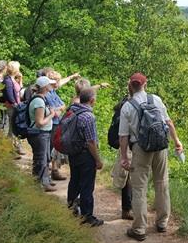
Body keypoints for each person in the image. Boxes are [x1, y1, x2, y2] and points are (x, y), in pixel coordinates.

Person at [118, 73, 183, 241]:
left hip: (140, 148)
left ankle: (139, 229)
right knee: (162, 183)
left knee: (139, 188)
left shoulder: (127, 106)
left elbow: (123, 136)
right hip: (160, 146)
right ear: (145, 84)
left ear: (130, 86)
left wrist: (124, 157)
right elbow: (168, 123)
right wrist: (176, 141)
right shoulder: (156, 99)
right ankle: (162, 222)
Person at [67, 87, 104, 226]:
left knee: (74, 181)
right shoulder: (88, 116)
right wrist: (98, 160)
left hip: (73, 152)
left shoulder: (72, 111)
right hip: (85, 155)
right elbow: (90, 142)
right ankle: (87, 217)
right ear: (92, 100)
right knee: (87, 186)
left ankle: (71, 209)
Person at [27, 76, 59, 192]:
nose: (52, 86)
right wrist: (51, 114)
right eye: (50, 84)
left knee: (44, 158)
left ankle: (43, 183)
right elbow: (39, 122)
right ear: (45, 87)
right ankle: (37, 186)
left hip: (42, 134)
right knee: (40, 160)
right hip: (39, 134)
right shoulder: (39, 102)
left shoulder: (40, 99)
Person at [110, 95, 133, 220]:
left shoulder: (122, 104)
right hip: (129, 144)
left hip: (123, 144)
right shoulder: (130, 106)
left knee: (127, 177)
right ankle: (127, 209)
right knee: (128, 178)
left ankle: (128, 208)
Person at [45, 71, 68, 181]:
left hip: (57, 122)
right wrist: (60, 108)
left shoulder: (53, 92)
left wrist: (59, 108)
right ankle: (46, 175)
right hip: (52, 124)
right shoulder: (48, 94)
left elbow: (63, 105)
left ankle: (54, 171)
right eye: (58, 80)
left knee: (55, 148)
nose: (59, 83)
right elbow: (56, 111)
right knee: (49, 149)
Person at [3, 61, 26, 156]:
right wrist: (16, 105)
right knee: (12, 129)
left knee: (15, 128)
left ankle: (15, 147)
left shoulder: (13, 79)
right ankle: (9, 150)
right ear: (15, 69)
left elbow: (20, 91)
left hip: (16, 106)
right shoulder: (8, 80)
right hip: (12, 107)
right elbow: (9, 95)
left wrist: (20, 80)